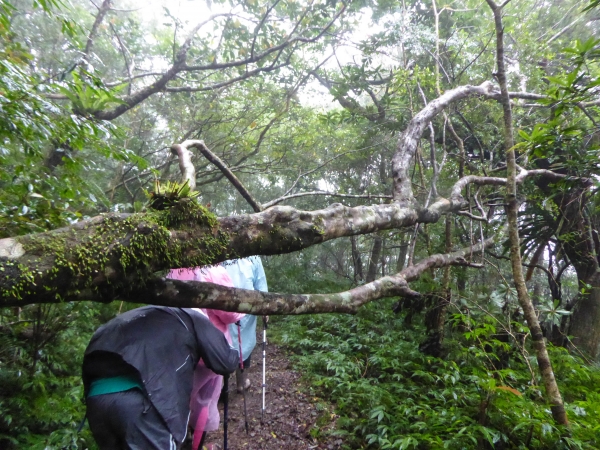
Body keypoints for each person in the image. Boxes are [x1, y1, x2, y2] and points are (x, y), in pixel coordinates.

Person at [82, 305, 239, 450]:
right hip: (141, 404)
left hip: (97, 399)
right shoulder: (193, 316)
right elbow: (225, 362)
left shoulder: (145, 315)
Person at [168, 265, 244, 450]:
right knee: (204, 401)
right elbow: (230, 313)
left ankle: (178, 440)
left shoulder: (173, 270)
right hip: (210, 351)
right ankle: (196, 445)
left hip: (177, 348)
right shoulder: (214, 271)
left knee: (179, 398)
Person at [223, 256, 268, 393]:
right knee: (226, 342)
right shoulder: (222, 252)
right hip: (224, 308)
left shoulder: (253, 257)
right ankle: (225, 385)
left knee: (243, 343)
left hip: (245, 309)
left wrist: (264, 307)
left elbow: (260, 283)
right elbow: (261, 283)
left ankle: (238, 383)